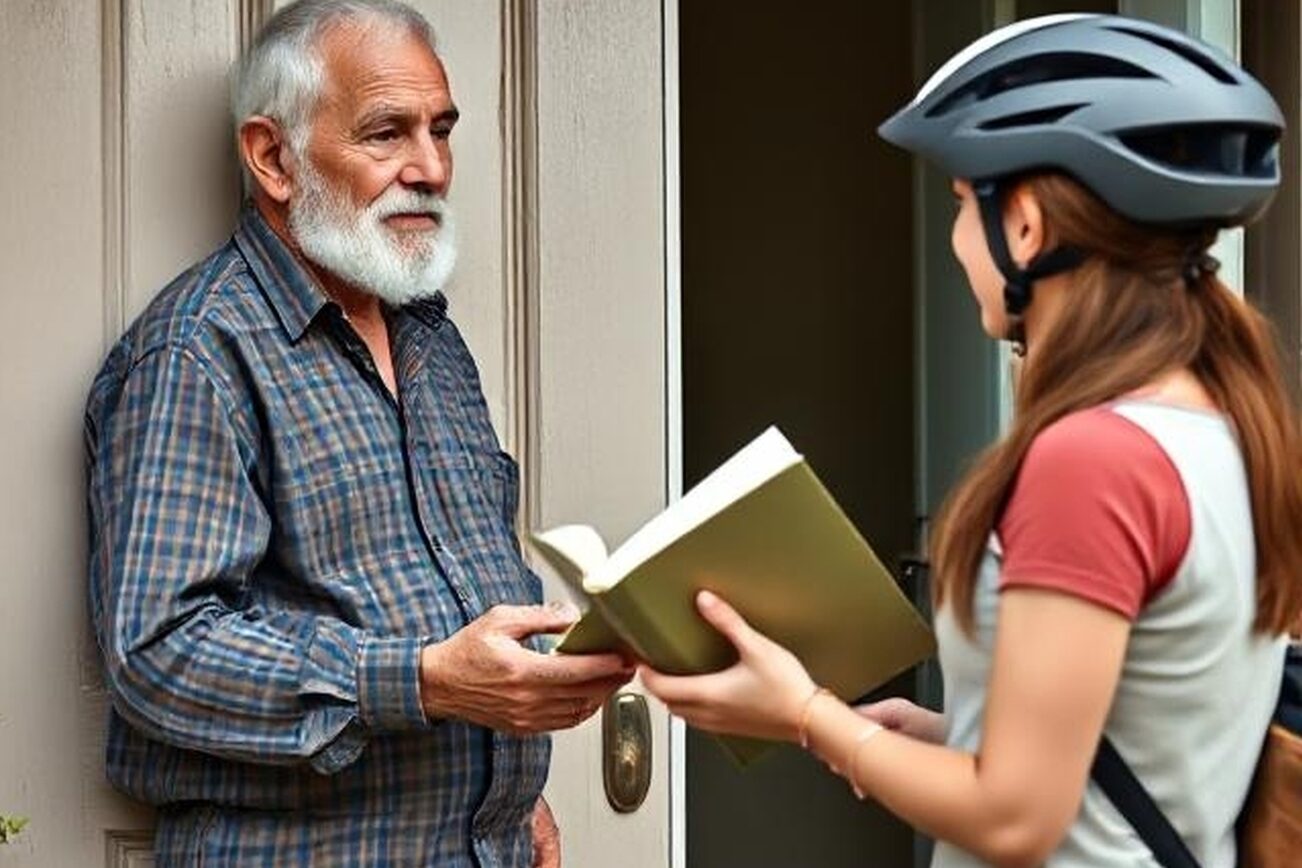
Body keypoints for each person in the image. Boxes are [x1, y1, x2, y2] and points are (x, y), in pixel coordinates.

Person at [641, 14, 1302, 867]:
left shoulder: (1090, 461)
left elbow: (1017, 818)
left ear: (1024, 225)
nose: (957, 241)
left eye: (961, 206)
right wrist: (934, 733)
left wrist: (806, 713)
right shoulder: (1219, 420)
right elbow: (1158, 729)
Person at [84, 1, 632, 865]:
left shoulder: (430, 339)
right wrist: (420, 681)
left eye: (441, 131)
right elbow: (161, 655)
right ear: (274, 157)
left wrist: (510, 800)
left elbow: (449, 586)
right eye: (387, 134)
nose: (430, 168)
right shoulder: (197, 353)